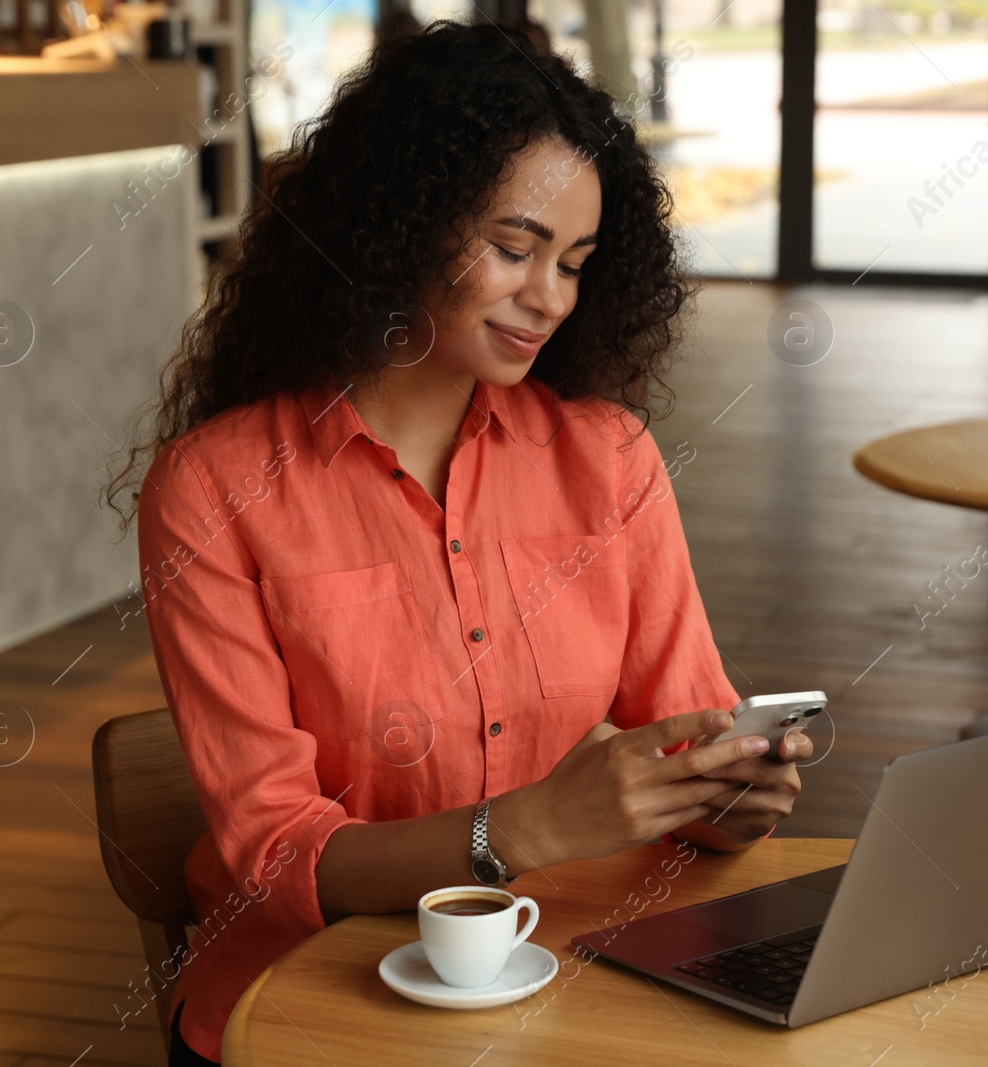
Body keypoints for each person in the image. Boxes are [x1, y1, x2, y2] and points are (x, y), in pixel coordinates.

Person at [104, 20, 811, 1065]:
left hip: (553, 970)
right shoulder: (213, 487)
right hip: (304, 997)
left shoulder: (606, 458)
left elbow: (682, 738)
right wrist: (517, 829)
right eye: (514, 248)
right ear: (400, 222)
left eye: (574, 262)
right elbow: (274, 852)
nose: (550, 298)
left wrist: (728, 795)